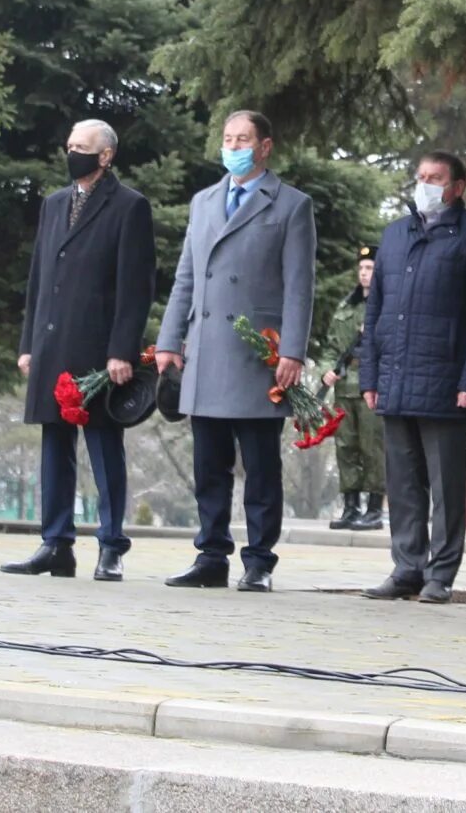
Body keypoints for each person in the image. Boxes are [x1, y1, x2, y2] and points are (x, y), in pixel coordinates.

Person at [156, 111, 318, 592]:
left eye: (243, 139)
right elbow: (186, 274)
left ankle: (260, 560)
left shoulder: (291, 204)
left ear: (265, 146)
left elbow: (299, 285)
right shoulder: (204, 201)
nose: (234, 146)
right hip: (206, 349)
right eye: (228, 139)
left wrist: (292, 349)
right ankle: (211, 554)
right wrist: (168, 340)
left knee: (261, 464)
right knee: (209, 463)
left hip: (257, 354)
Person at [1, 120, 156, 582]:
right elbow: (39, 279)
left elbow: (135, 286)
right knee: (54, 442)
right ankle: (56, 543)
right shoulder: (53, 205)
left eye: (82, 147)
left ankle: (111, 546)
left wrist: (122, 350)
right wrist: (29, 343)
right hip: (52, 342)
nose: (73, 153)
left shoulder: (129, 206)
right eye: (68, 145)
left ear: (105, 155)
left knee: (105, 446)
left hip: (99, 348)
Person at [360, 152, 466, 604]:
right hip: (395, 376)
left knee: (445, 484)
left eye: (436, 178)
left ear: (458, 187)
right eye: (421, 177)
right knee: (402, 483)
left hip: (446, 379)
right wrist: (371, 373)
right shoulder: (394, 234)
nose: (425, 184)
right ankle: (407, 567)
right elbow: (375, 310)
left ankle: (440, 573)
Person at [318, 247, 386, 531]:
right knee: (345, 446)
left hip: (372, 385)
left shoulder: (385, 305)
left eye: (369, 268)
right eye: (361, 269)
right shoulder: (346, 306)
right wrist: (325, 370)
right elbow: (332, 345)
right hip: (344, 386)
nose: (364, 273)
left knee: (373, 447)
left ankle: (373, 509)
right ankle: (350, 506)